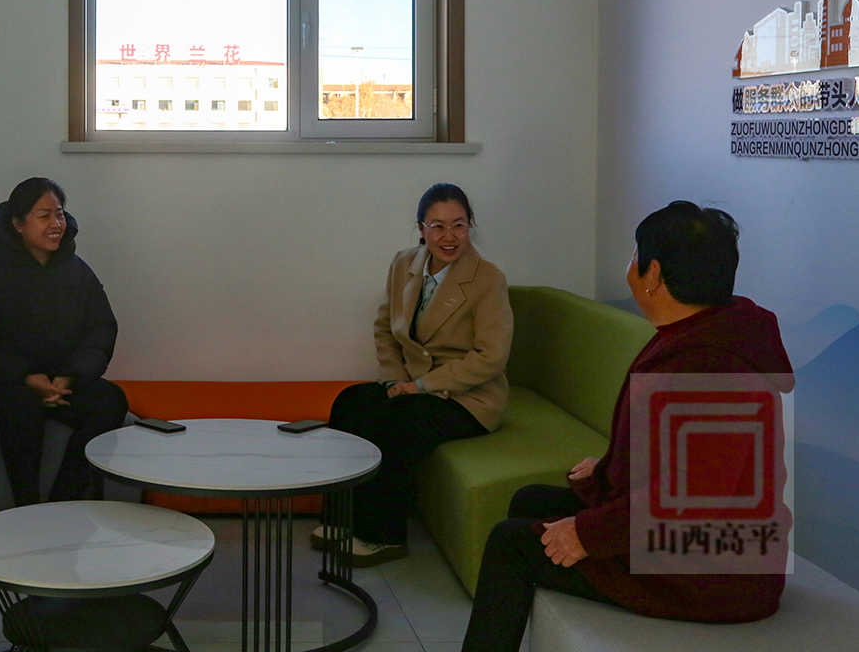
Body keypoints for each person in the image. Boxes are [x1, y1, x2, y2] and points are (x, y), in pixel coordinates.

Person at [461, 201, 795, 651]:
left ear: (652, 274)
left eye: (635, 255)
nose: (630, 266)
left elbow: (693, 499)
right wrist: (608, 469)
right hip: (687, 541)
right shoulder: (702, 334)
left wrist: (588, 534)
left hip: (712, 573)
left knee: (511, 545)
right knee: (530, 500)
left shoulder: (714, 368)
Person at [316, 182, 513, 566]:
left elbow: (491, 357)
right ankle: (342, 520)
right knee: (350, 403)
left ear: (470, 225)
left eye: (458, 225)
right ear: (421, 228)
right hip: (409, 383)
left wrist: (421, 386)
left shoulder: (488, 279)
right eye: (437, 226)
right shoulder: (403, 264)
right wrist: (394, 380)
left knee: (395, 424)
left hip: (466, 396)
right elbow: (385, 327)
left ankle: (383, 536)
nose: (449, 237)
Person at [0, 176, 128, 506]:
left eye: (59, 214)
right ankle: (27, 508)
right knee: (23, 407)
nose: (56, 224)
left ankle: (65, 499)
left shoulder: (77, 271)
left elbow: (101, 329)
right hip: (1, 383)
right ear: (18, 224)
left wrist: (70, 375)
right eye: (44, 216)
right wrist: (25, 377)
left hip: (62, 381)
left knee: (111, 401)